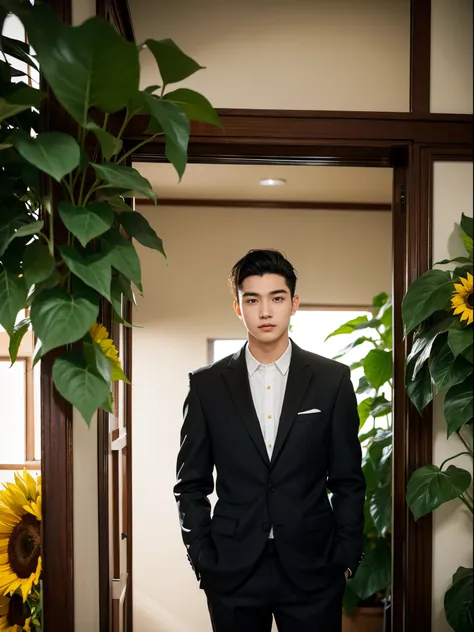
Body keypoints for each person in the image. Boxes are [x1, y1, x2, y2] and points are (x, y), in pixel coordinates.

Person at [174, 249, 365, 632]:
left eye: (277, 298)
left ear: (293, 304)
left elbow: (348, 481)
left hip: (314, 569)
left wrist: (345, 558)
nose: (265, 312)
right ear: (237, 307)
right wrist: (203, 559)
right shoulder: (207, 385)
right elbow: (191, 484)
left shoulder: (332, 381)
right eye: (252, 299)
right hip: (232, 571)